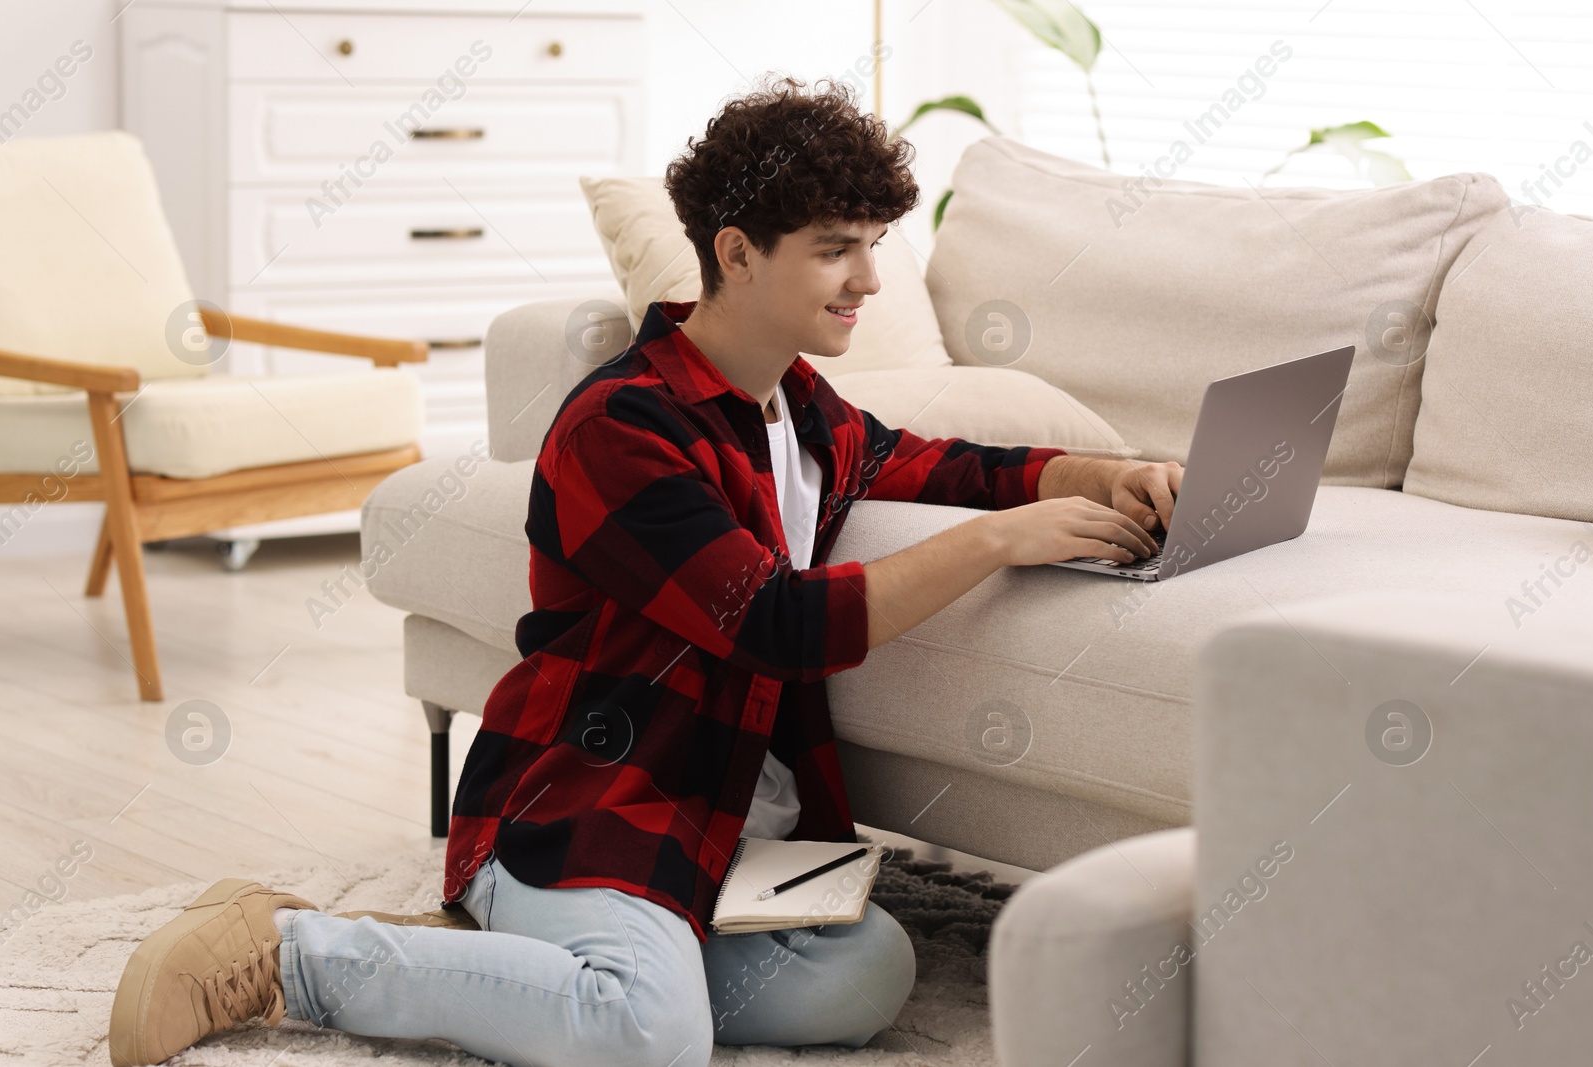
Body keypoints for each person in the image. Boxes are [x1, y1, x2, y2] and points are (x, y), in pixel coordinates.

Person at [107, 73, 1182, 1067]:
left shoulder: (799, 409)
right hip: (598, 800)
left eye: (875, 247)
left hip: (730, 830)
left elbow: (934, 461)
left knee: (867, 971)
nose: (866, 279)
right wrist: (999, 541)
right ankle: (291, 948)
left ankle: (512, 966)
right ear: (737, 251)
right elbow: (772, 621)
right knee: (647, 1038)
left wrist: (1092, 471)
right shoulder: (622, 427)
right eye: (834, 248)